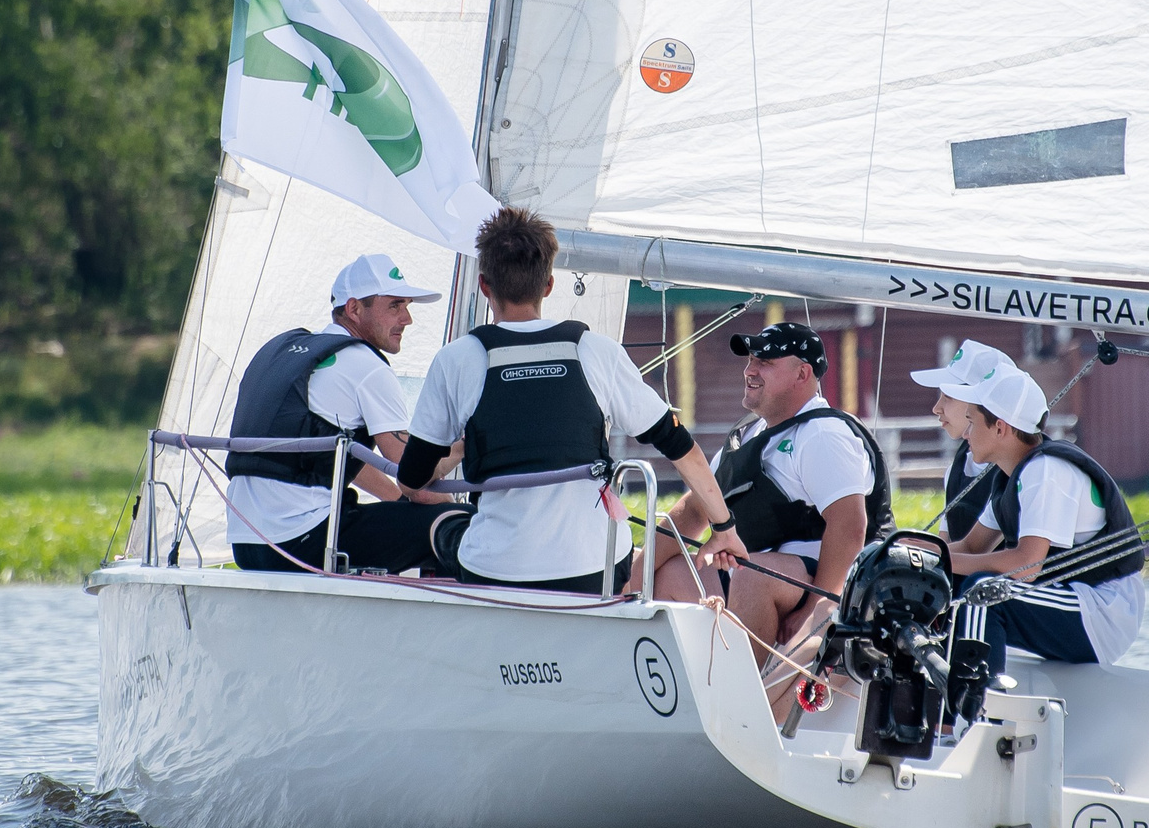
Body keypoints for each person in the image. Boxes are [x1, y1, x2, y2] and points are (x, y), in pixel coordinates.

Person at [398, 208, 746, 592]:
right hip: (595, 568)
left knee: (439, 524)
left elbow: (412, 480)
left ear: (483, 285)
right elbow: (683, 448)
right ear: (548, 285)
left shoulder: (455, 359)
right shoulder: (596, 350)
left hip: (498, 570)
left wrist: (467, 447)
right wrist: (725, 527)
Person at [656, 321, 892, 649]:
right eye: (750, 360)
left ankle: (743, 679)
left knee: (753, 575)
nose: (749, 371)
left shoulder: (823, 435)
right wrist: (632, 577)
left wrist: (814, 609)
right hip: (761, 570)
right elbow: (696, 509)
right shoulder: (748, 434)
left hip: (835, 585)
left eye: (765, 362)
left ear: (802, 374)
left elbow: (850, 526)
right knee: (669, 573)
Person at [226, 254, 457, 574]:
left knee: (406, 516)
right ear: (354, 309)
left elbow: (333, 454)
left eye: (407, 306)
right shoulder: (367, 366)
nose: (407, 319)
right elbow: (413, 477)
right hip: (305, 542)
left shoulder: (283, 349)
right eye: (395, 306)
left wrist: (397, 503)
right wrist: (459, 465)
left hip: (245, 543)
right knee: (456, 524)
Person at [943, 363, 1145, 681]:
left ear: (1000, 427)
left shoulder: (1046, 470)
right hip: (1071, 598)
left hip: (1103, 611)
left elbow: (1026, 566)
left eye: (971, 422)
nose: (966, 434)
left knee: (983, 594)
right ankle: (936, 694)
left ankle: (980, 702)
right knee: (943, 585)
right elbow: (970, 547)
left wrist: (943, 561)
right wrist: (919, 556)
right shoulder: (1009, 476)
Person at [908, 339, 1015, 540]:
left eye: (948, 397)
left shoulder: (1023, 471)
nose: (936, 408)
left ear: (982, 400)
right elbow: (946, 546)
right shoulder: (956, 470)